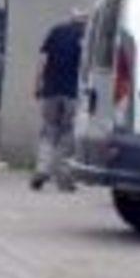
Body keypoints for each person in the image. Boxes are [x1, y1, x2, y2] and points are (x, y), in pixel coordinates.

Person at [31, 15, 86, 192]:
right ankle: (63, 177)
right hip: (72, 93)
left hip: (51, 90)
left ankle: (41, 170)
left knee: (48, 131)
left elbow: (42, 60)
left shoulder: (55, 32)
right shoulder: (85, 37)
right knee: (67, 134)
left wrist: (37, 85)